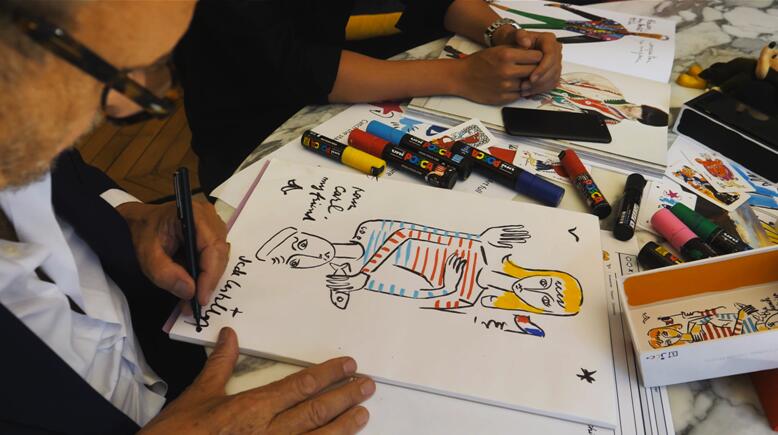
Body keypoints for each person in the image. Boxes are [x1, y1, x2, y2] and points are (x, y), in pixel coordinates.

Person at [0, 1, 373, 433]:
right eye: (116, 76)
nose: (119, 111)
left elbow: (67, 174)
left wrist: (131, 214)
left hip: (168, 354)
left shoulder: (22, 124)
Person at [174, 0, 564, 193]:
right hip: (263, 123)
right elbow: (289, 64)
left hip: (393, 93)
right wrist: (460, 76)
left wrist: (502, 33)